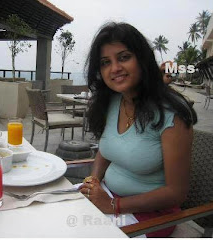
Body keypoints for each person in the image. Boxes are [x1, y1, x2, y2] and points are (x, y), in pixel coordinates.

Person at [79, 22, 197, 237]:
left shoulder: (172, 115)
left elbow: (177, 193)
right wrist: (93, 180)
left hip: (150, 215)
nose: (114, 68)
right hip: (108, 196)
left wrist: (114, 205)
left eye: (124, 57)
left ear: (142, 60)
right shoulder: (113, 101)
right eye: (105, 62)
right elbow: (105, 152)